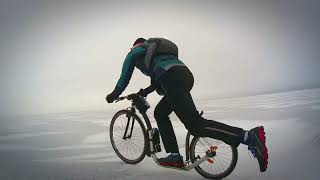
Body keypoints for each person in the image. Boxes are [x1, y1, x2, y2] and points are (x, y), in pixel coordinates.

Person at [106, 37, 268, 172]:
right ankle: (175, 156)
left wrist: (114, 94)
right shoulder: (156, 54)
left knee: (195, 126)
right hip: (184, 75)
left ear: (134, 46)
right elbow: (159, 80)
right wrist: (146, 91)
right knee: (160, 113)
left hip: (172, 79)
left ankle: (248, 137)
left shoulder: (134, 52)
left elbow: (125, 76)